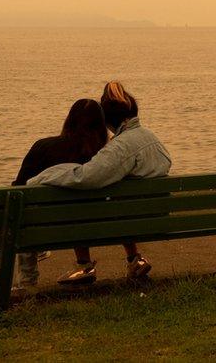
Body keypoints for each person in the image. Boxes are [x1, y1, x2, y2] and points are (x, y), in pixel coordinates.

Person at [28, 81, 172, 283]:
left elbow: (86, 177)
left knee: (81, 199)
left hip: (131, 219)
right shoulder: (151, 137)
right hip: (154, 215)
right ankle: (134, 259)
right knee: (114, 197)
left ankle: (84, 266)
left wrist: (47, 175)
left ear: (108, 120)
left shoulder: (122, 146)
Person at [10, 99, 110, 289]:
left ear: (69, 120)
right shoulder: (104, 157)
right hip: (95, 225)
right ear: (101, 126)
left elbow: (18, 190)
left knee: (25, 215)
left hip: (44, 229)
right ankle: (84, 265)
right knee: (79, 211)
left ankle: (27, 281)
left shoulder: (43, 147)